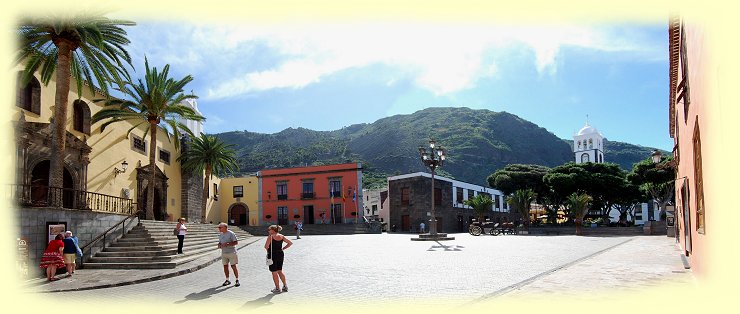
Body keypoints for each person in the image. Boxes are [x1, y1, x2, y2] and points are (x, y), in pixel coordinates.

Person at [265, 225, 293, 293]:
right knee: (280, 270)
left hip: (272, 255)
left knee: (274, 272)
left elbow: (266, 246)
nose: (268, 231)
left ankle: (277, 288)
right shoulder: (281, 236)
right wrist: (283, 248)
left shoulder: (270, 236)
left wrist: (268, 252)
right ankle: (285, 286)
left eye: (269, 229)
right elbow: (290, 243)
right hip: (280, 254)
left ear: (273, 230)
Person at [217, 222, 240, 287]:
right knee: (225, 266)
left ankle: (237, 280)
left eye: (220, 227)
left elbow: (236, 242)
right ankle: (227, 280)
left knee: (233, 266)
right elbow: (220, 242)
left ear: (225, 227)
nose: (219, 228)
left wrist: (227, 244)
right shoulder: (221, 234)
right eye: (218, 227)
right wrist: (219, 245)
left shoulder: (231, 233)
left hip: (231, 252)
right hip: (224, 253)